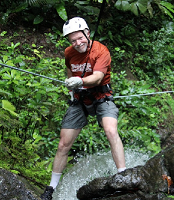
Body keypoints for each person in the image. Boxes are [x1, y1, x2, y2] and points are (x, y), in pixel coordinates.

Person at [40, 17, 126, 200]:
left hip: (101, 96)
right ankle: (51, 188)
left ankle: (123, 175)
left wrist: (80, 81)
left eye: (80, 38)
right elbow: (70, 70)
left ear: (88, 33)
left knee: (111, 130)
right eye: (73, 40)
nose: (77, 43)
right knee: (63, 143)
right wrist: (71, 85)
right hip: (80, 99)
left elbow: (97, 77)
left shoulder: (101, 51)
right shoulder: (69, 52)